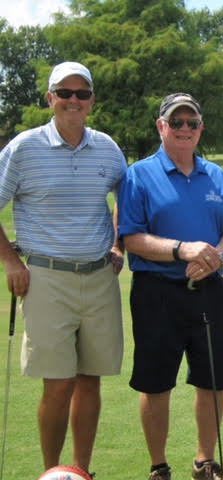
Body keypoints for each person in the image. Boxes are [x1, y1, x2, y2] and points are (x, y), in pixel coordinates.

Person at [0, 61, 127, 476]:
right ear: (50, 98)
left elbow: (126, 202)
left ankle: (81, 472)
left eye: (82, 94)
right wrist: (10, 260)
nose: (74, 101)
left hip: (98, 277)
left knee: (90, 380)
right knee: (57, 385)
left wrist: (116, 243)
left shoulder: (108, 148)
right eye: (65, 93)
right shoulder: (23, 148)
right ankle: (52, 472)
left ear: (92, 101)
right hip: (46, 278)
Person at [117, 93, 223, 480]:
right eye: (177, 122)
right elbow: (132, 237)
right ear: (161, 127)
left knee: (212, 379)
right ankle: (159, 466)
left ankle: (205, 461)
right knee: (156, 383)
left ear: (201, 128)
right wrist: (181, 250)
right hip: (157, 291)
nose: (185, 129)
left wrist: (215, 259)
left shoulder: (216, 175)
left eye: (192, 123)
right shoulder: (138, 174)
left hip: (209, 291)